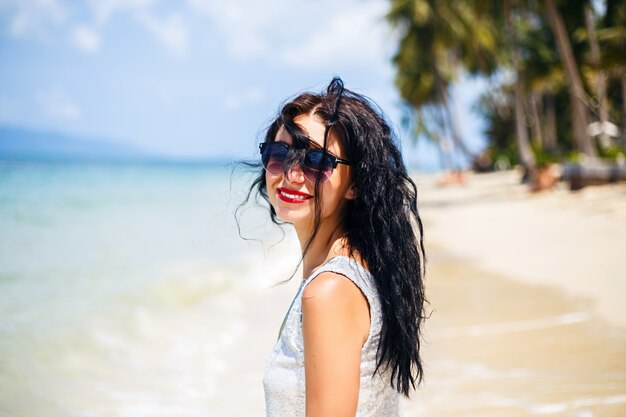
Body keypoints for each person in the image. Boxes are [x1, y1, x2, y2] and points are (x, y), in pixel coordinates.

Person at [247, 77, 426, 416]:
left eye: (316, 161)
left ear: (355, 184)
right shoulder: (358, 269)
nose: (291, 174)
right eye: (279, 154)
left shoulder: (329, 291)